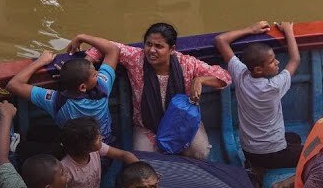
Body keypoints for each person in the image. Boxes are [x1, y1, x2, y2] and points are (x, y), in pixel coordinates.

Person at [72, 23, 230, 160]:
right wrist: (85, 59)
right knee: (143, 159)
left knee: (200, 153)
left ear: (172, 49)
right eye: (148, 44)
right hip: (147, 127)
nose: (151, 50)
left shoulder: (186, 64)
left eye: (159, 46)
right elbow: (108, 47)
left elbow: (225, 78)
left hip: (183, 123)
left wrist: (200, 80)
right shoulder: (136, 58)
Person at [214, 20, 302, 169]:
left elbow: (220, 40)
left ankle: (255, 167)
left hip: (249, 150)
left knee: (294, 138)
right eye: (272, 61)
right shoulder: (273, 86)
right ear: (258, 70)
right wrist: (288, 30)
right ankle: (279, 184)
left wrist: (250, 29)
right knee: (316, 152)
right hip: (273, 154)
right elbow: (295, 59)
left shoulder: (240, 73)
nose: (278, 62)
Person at [6, 32, 121, 144]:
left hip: (75, 149)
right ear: (82, 87)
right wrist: (82, 37)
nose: (97, 73)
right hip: (103, 145)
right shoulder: (102, 87)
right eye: (94, 74)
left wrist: (40, 62)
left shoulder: (55, 101)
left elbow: (13, 85)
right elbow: (113, 50)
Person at [59, 116, 138, 188]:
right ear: (84, 147)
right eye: (97, 138)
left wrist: (144, 171)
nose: (101, 137)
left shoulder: (96, 150)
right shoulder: (65, 169)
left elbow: (124, 155)